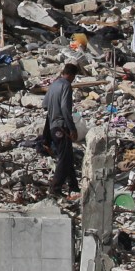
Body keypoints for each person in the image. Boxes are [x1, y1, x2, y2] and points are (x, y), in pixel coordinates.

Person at [42, 59, 81, 198]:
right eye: (74, 77)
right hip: (61, 127)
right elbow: (65, 108)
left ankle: (74, 186)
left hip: (52, 126)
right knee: (64, 159)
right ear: (71, 75)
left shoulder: (53, 85)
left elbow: (45, 105)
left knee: (67, 156)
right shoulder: (66, 86)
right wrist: (72, 128)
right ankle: (55, 188)